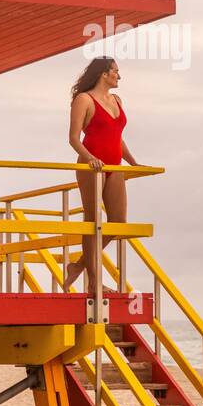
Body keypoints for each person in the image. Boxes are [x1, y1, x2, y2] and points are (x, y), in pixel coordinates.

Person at [63, 56, 137, 292]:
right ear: (103, 74)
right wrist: (89, 158)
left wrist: (134, 163)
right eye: (115, 71)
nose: (119, 75)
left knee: (117, 224)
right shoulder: (84, 99)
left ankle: (78, 266)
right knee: (93, 221)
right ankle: (94, 282)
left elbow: (118, 137)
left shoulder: (117, 100)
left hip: (114, 167)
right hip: (91, 165)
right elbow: (74, 138)